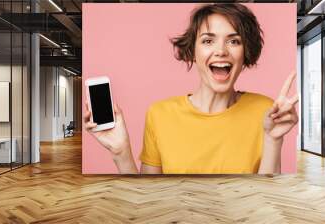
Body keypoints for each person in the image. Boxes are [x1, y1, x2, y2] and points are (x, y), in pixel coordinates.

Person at [84, 3, 298, 174]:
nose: (221, 51)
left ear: (245, 54)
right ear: (192, 52)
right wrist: (121, 153)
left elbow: (265, 203)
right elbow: (149, 203)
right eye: (208, 41)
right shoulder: (160, 114)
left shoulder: (266, 111)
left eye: (234, 41)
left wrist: (273, 139)